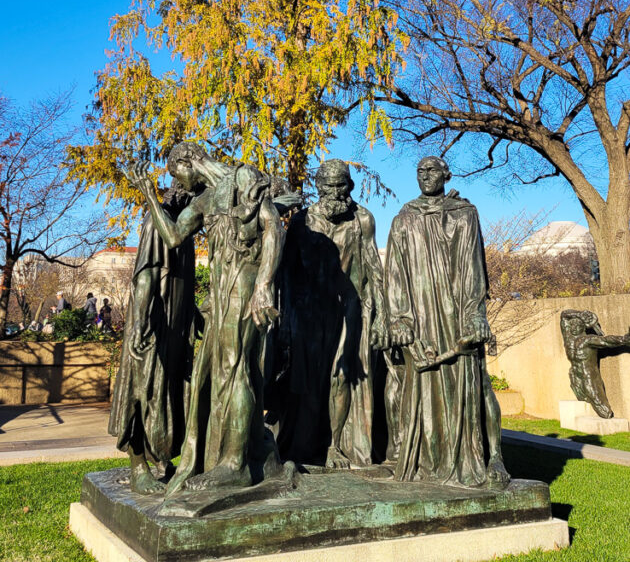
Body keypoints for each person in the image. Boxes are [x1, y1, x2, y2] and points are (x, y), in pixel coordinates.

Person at [128, 144, 299, 495]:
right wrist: (148, 194)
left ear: (189, 162)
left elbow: (273, 230)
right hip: (222, 296)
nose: (182, 184)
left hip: (247, 287)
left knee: (236, 370)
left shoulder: (243, 176)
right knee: (223, 373)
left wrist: (264, 286)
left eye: (178, 174)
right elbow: (173, 236)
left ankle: (234, 465)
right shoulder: (205, 201)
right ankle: (242, 452)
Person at [383, 155, 508, 488]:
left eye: (432, 170)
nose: (425, 175)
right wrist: (398, 319)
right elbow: (393, 274)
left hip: (456, 319)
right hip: (419, 319)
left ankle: (476, 461)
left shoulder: (465, 215)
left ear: (446, 175)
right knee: (421, 392)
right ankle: (426, 466)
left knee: (470, 386)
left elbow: (472, 266)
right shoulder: (404, 219)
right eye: (419, 170)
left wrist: (474, 312)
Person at [274, 159, 385, 468]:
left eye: (342, 185)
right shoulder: (302, 222)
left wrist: (383, 315)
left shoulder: (363, 219)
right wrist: (284, 319)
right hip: (307, 313)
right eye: (329, 186)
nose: (337, 192)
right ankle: (308, 446)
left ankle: (337, 446)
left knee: (342, 377)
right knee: (309, 383)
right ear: (318, 187)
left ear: (349, 185)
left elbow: (375, 269)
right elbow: (285, 272)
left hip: (349, 309)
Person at [109, 146, 199, 494]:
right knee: (142, 390)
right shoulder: (156, 219)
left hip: (176, 323)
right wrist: (141, 324)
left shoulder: (183, 231)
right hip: (152, 321)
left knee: (167, 393)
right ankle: (138, 465)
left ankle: (162, 459)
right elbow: (145, 276)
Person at [560, 309, 630, 418]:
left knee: (603, 410)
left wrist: (623, 340)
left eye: (577, 325)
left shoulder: (588, 340)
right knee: (581, 397)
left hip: (588, 375)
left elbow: (606, 340)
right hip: (575, 375)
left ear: (583, 327)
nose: (573, 327)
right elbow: (563, 315)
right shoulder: (568, 338)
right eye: (572, 325)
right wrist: (579, 314)